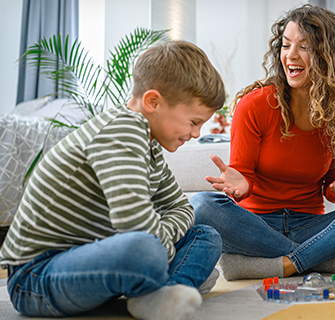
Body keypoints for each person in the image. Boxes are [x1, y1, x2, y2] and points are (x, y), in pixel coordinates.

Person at [0, 41, 226, 320]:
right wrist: (161, 249)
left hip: (93, 257)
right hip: (35, 278)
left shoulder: (151, 146)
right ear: (153, 102)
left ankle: (161, 290)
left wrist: (159, 241)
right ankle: (173, 280)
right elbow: (136, 227)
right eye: (193, 122)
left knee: (205, 236)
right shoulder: (121, 129)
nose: (196, 133)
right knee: (145, 249)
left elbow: (181, 209)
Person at [189, 4, 335, 281]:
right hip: (256, 226)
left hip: (311, 226)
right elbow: (242, 176)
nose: (290, 56)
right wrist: (242, 184)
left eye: (304, 47)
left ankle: (283, 263)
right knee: (202, 206)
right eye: (285, 45)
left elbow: (331, 186)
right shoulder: (256, 104)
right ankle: (319, 260)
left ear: (330, 56)